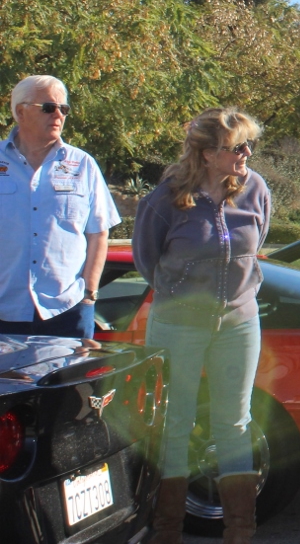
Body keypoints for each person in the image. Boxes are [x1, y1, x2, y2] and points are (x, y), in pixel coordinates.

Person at [132, 107, 272, 544]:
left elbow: (257, 243)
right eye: (237, 147)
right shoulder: (166, 199)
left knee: (235, 422)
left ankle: (240, 532)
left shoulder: (255, 190)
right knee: (175, 422)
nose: (247, 154)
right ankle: (167, 531)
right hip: (178, 325)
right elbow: (146, 261)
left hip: (239, 322)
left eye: (249, 145)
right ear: (208, 154)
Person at [1, 75, 119, 338]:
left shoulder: (82, 165)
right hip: (5, 310)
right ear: (20, 111)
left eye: (63, 109)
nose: (58, 115)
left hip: (66, 310)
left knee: (69, 381)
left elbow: (98, 233)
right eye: (48, 107)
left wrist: (90, 292)